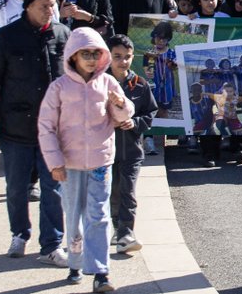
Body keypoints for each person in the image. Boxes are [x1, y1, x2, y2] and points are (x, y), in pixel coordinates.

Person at [0, 0, 71, 264]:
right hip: (16, 127)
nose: (49, 11)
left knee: (53, 189)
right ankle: (19, 233)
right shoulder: (7, 37)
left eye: (52, 6)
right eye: (44, 6)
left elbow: (76, 81)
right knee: (17, 187)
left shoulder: (63, 35)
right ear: (28, 6)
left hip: (54, 130)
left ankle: (52, 244)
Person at [37, 28, 134, 292]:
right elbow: (45, 126)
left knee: (98, 214)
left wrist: (119, 104)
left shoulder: (108, 83)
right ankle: (76, 262)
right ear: (73, 56)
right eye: (85, 54)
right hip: (68, 165)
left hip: (100, 162)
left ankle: (101, 272)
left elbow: (123, 116)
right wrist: (54, 162)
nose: (91, 59)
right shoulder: (58, 88)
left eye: (95, 53)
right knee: (74, 215)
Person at [106, 35, 156, 255]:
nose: (123, 62)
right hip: (105, 151)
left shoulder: (140, 85)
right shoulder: (99, 83)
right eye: (117, 57)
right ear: (108, 56)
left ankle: (126, 232)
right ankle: (116, 226)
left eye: (127, 57)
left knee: (128, 191)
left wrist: (134, 122)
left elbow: (150, 113)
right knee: (112, 191)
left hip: (132, 150)